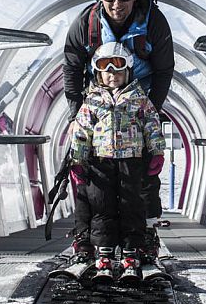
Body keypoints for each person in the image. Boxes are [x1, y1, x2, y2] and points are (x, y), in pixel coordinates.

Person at [63, 0, 174, 260]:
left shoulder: (154, 21)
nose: (117, 3)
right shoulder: (86, 23)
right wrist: (76, 114)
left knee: (142, 178)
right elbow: (72, 68)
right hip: (98, 104)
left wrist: (150, 108)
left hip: (139, 101)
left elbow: (164, 69)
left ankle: (144, 233)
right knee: (92, 177)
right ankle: (87, 236)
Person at [69, 43, 166, 277]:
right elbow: (82, 131)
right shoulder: (92, 101)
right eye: (105, 68)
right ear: (98, 72)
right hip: (101, 162)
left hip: (131, 161)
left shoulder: (138, 98)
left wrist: (157, 151)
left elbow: (152, 124)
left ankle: (131, 252)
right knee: (102, 206)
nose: (112, 74)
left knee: (131, 206)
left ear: (129, 71)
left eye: (118, 68)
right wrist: (78, 159)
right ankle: (104, 254)